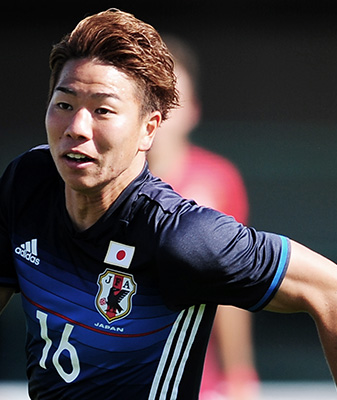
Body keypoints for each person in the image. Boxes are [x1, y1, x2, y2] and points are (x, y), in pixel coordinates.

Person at [0, 9, 337, 400]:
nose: (76, 127)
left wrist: (240, 376)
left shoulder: (181, 236)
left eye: (103, 110)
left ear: (149, 129)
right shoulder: (28, 182)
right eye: (64, 104)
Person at [147, 36, 257, 400]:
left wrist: (239, 375)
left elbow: (232, 288)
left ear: (193, 110)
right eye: (153, 97)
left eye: (172, 99)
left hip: (198, 386)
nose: (162, 113)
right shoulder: (103, 184)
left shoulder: (218, 181)